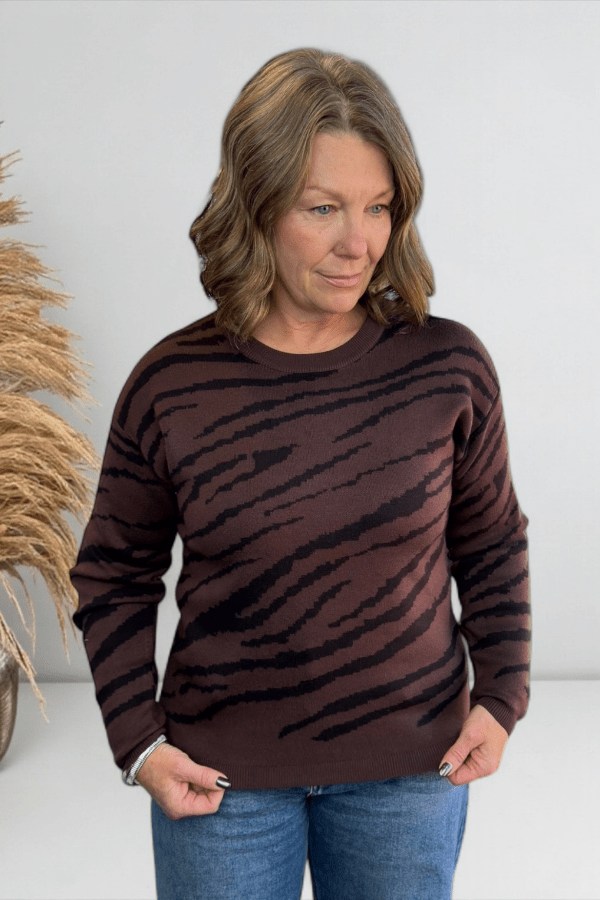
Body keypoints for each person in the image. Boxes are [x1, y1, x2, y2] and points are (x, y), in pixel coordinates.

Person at [71, 48, 531, 900]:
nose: (359, 243)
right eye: (322, 208)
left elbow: (492, 541)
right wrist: (139, 744)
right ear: (257, 205)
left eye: (378, 206)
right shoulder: (171, 385)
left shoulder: (448, 367)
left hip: (412, 772)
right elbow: (113, 574)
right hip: (220, 786)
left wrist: (501, 697)